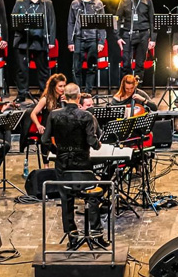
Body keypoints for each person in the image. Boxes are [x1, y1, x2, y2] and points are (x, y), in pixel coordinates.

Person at [43, 83, 107, 248]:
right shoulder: (86, 116)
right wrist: (98, 144)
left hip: (63, 165)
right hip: (82, 165)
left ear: (64, 97)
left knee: (66, 199)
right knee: (92, 196)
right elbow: (92, 142)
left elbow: (44, 140)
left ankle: (72, 236)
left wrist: (57, 151)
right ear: (79, 97)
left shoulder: (54, 115)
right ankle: (97, 233)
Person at [10, 0, 56, 101]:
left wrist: (51, 40)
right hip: (23, 40)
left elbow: (52, 22)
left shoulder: (47, 3)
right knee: (22, 70)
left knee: (43, 70)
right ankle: (22, 94)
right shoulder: (20, 2)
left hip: (40, 40)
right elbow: (14, 20)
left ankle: (45, 93)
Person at [68, 0, 107, 93]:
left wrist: (101, 42)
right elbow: (70, 23)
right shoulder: (75, 3)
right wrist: (70, 41)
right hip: (78, 38)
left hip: (93, 39)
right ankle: (77, 93)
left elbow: (102, 24)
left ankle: (88, 92)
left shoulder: (98, 3)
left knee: (92, 67)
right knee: (76, 68)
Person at [116, 0, 156, 82]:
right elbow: (117, 19)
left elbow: (153, 21)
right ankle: (127, 87)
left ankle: (137, 88)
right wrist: (118, 37)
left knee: (140, 64)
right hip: (127, 34)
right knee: (126, 63)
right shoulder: (124, 0)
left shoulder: (147, 0)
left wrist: (153, 39)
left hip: (143, 34)